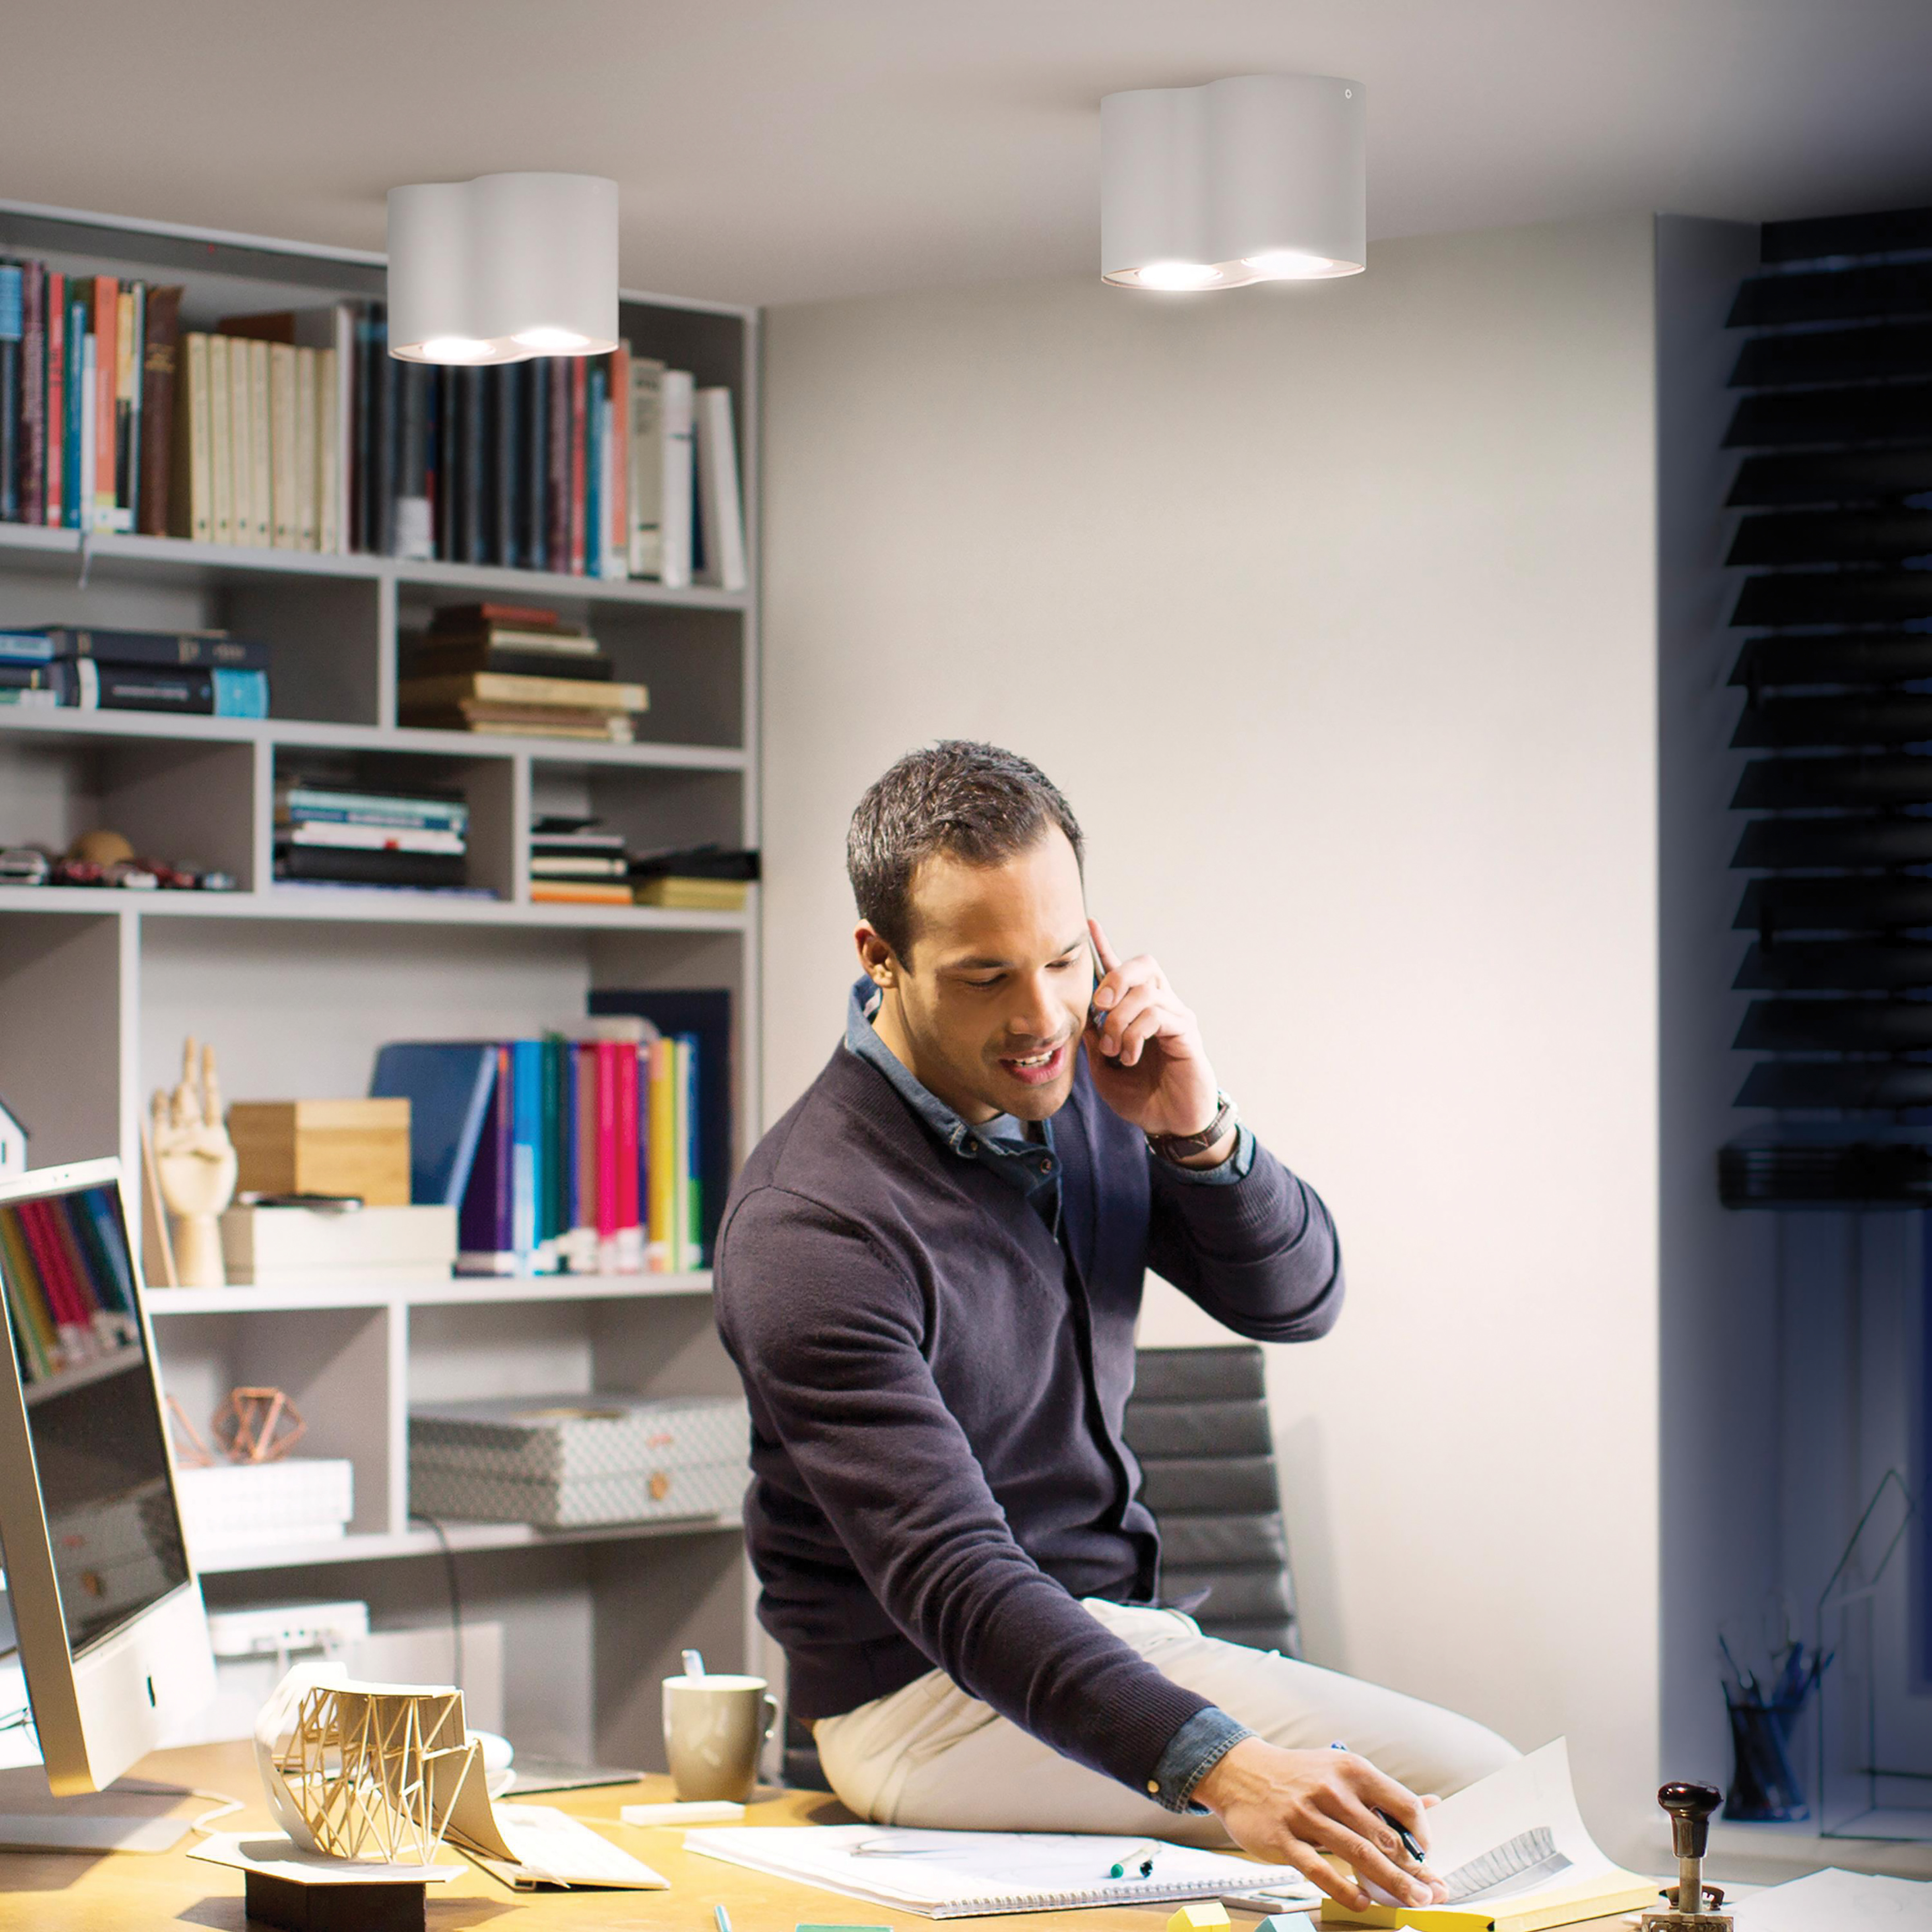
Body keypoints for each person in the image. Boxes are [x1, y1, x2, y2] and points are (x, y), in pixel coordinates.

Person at [714, 741, 1515, 1913]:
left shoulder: (1087, 1081)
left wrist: (1200, 1135)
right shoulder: (811, 1225)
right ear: (880, 959)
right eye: (986, 977)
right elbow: (954, 1575)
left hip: (1113, 1644)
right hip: (923, 1700)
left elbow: (1297, 1301)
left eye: (1064, 957)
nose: (1042, 1018)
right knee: (1469, 1799)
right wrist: (1227, 1770)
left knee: (1458, 1821)